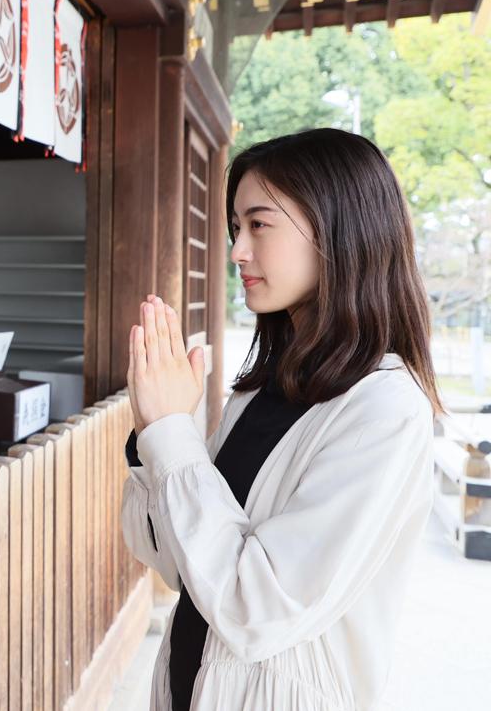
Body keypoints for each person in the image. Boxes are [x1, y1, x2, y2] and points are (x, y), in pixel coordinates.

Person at [121, 128, 442, 711]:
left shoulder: (384, 410)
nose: (238, 251)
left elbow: (254, 608)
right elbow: (178, 564)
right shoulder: (263, 389)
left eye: (259, 225)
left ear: (338, 230)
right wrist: (156, 436)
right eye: (235, 229)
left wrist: (170, 434)